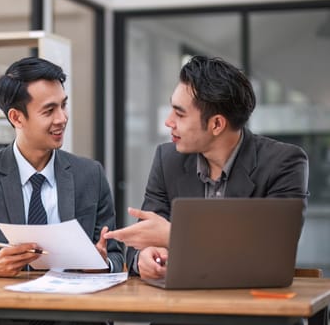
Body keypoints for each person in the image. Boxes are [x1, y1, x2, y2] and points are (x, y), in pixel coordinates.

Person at [104, 55, 309, 281]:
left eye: (180, 113)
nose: (168, 121)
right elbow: (147, 236)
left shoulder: (284, 163)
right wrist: (144, 257)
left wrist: (176, 237)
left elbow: (271, 254)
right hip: (180, 309)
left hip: (252, 309)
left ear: (217, 124)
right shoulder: (168, 159)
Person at [0, 56, 123, 277]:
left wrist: (102, 263)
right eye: (49, 111)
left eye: (63, 105)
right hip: (4, 306)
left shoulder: (90, 174)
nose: (62, 118)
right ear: (16, 118)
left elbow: (115, 255)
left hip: (70, 306)